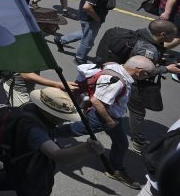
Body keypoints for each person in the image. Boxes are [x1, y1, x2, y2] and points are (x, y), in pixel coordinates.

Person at [0, 87, 105, 195]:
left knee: (8, 179)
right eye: (61, 116)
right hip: (28, 168)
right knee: (19, 184)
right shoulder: (35, 131)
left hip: (19, 160)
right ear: (50, 114)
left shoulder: (30, 108)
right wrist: (86, 148)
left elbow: (57, 131)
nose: (64, 120)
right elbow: (57, 155)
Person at [54, 56, 157, 189]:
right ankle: (45, 133)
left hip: (111, 116)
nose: (146, 78)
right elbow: (96, 101)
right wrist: (109, 121)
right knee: (75, 130)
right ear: (140, 72)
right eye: (147, 75)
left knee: (121, 143)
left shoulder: (114, 65)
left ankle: (115, 169)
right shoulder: (117, 82)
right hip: (103, 117)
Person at [127, 20, 180, 152]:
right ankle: (138, 142)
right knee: (137, 113)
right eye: (174, 35)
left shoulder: (144, 34)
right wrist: (167, 69)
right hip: (135, 84)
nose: (175, 38)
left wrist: (160, 62)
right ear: (162, 34)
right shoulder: (149, 49)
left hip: (127, 77)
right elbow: (142, 73)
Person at [55, 0, 122, 64]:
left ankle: (61, 40)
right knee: (88, 40)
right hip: (91, 18)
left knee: (84, 32)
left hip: (89, 17)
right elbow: (87, 7)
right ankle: (80, 57)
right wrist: (97, 19)